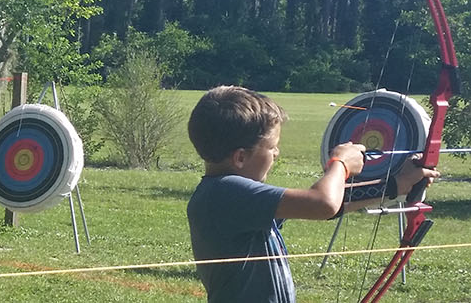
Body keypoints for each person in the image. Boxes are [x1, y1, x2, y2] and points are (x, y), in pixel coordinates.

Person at [184, 85, 439, 302]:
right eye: (272, 147)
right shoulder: (225, 193)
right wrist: (340, 163)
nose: (276, 153)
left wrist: (396, 185)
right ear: (240, 157)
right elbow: (323, 203)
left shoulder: (231, 195)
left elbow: (325, 204)